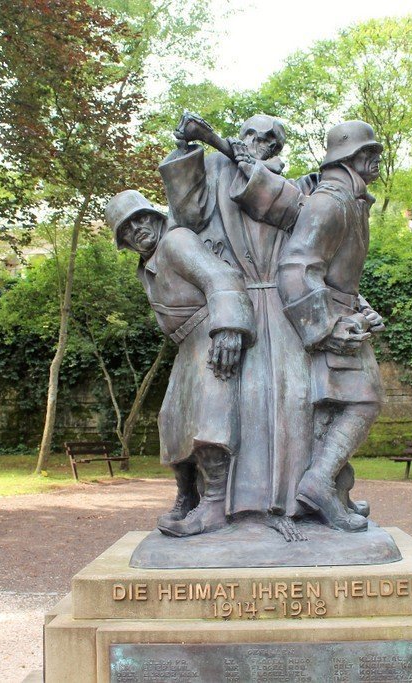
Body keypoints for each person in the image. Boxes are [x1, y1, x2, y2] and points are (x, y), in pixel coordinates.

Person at [158, 113, 318, 535]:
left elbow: (294, 219)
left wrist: (244, 161)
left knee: (290, 403)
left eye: (269, 139)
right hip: (231, 307)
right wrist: (189, 149)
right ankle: (221, 507)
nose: (257, 142)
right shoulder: (213, 172)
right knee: (233, 405)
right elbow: (186, 212)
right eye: (250, 134)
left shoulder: (295, 187)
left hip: (279, 310)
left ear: (277, 149)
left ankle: (293, 504)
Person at [104, 190, 256, 537]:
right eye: (127, 228)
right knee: (172, 420)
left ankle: (214, 504)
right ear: (123, 241)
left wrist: (229, 328)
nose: (137, 229)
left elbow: (221, 278)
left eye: (141, 218)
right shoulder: (147, 265)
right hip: (187, 346)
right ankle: (188, 496)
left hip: (210, 334)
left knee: (209, 418)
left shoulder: (177, 241)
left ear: (156, 217)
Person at [277, 121, 387, 532]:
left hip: (343, 317)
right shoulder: (330, 202)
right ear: (350, 158)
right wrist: (326, 327)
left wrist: (362, 305)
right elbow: (296, 268)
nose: (376, 160)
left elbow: (340, 273)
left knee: (343, 407)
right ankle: (319, 485)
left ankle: (328, 490)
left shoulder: (352, 200)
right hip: (326, 325)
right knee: (362, 401)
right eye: (368, 153)